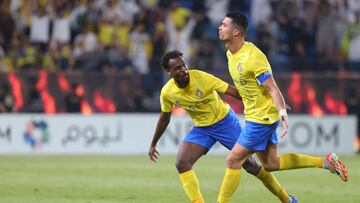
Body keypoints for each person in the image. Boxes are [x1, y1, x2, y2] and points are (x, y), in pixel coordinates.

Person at [216, 12, 348, 203]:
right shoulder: (230, 52)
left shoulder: (253, 58)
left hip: (261, 119)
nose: (220, 27)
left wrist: (282, 111)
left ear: (236, 31)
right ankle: (326, 162)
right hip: (259, 115)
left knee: (233, 159)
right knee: (271, 164)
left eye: (224, 25)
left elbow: (272, 87)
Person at [148, 50, 296, 203]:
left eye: (184, 65)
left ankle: (286, 199)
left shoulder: (202, 78)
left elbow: (235, 93)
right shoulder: (167, 93)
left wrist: (273, 101)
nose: (184, 70)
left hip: (226, 123)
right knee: (182, 163)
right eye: (177, 68)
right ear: (168, 72)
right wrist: (153, 144)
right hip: (202, 129)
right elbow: (165, 118)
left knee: (251, 166)